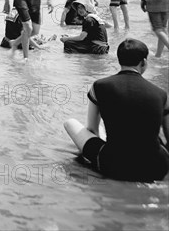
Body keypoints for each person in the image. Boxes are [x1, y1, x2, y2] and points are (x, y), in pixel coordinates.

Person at [64, 38, 169, 182]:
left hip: (113, 166)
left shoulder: (99, 86)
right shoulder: (161, 93)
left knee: (71, 123)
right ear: (144, 62)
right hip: (156, 168)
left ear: (119, 60)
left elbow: (92, 130)